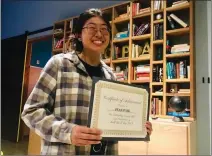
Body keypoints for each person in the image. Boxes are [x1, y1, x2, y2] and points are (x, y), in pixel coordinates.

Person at [21, 8, 153, 155]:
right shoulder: (59, 65)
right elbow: (31, 111)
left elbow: (114, 119)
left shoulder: (110, 76)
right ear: (78, 34)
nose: (99, 34)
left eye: (104, 29)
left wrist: (138, 127)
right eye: (91, 28)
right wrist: (68, 132)